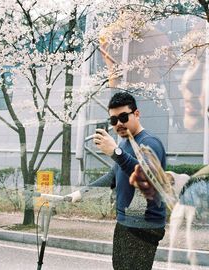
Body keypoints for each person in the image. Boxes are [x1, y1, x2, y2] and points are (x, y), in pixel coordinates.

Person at [67, 91, 167, 270]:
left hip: (143, 225)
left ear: (136, 114)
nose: (118, 123)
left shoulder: (150, 143)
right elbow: (113, 176)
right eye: (113, 120)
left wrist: (116, 152)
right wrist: (81, 193)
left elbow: (147, 178)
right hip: (125, 222)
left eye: (123, 117)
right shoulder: (124, 143)